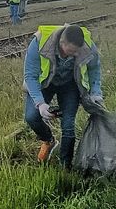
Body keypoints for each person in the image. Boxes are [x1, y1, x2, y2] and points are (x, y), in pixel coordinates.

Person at [23, 24, 103, 168]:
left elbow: (94, 68)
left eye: (77, 52)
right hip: (45, 83)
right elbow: (30, 76)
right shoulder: (39, 42)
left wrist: (96, 93)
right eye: (71, 51)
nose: (75, 55)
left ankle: (65, 166)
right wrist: (40, 103)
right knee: (31, 117)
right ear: (61, 43)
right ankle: (48, 140)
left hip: (69, 84)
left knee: (68, 126)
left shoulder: (87, 45)